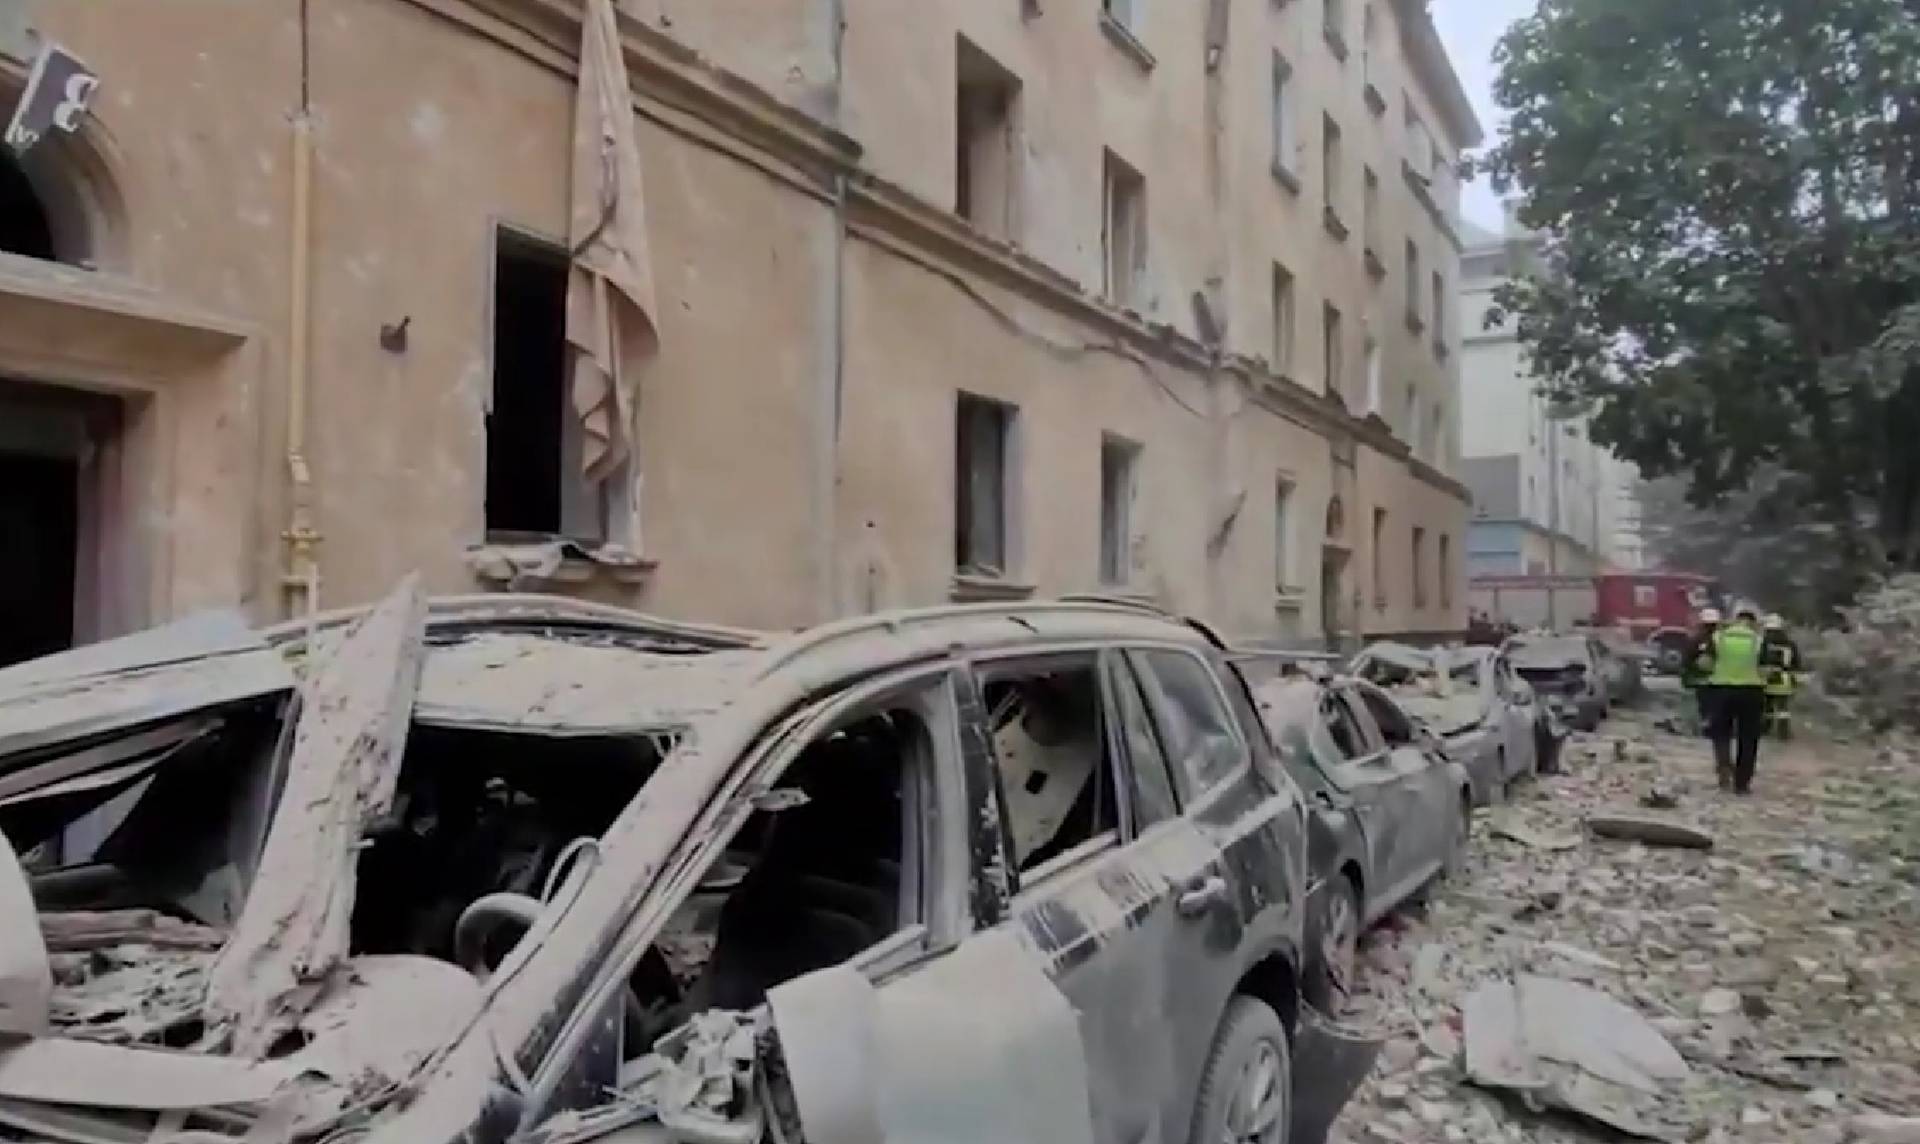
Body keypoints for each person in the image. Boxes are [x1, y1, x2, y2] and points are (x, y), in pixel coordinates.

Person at [1697, 608, 1772, 794]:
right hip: (1751, 692)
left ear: (1734, 621)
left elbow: (1704, 664)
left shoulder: (1718, 637)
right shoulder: (1758, 640)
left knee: (1721, 734)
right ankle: (1742, 784)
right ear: (1753, 623)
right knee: (1748, 739)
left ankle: (1723, 771)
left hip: (1721, 691)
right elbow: (1766, 671)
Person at [1761, 614, 1802, 741]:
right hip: (1785, 678)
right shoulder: (1790, 643)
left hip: (1768, 677)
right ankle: (1783, 732)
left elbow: (1759, 660)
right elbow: (1796, 662)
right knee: (1783, 707)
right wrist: (1795, 678)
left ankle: (1765, 729)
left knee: (1768, 706)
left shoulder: (1764, 643)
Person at [1682, 608, 1722, 736]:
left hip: (1702, 679)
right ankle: (1710, 726)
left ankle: (1704, 726)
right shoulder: (1721, 639)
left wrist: (1686, 675)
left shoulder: (1697, 639)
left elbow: (1687, 659)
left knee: (1704, 704)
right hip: (1714, 680)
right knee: (1711, 705)